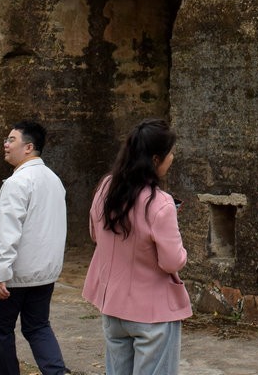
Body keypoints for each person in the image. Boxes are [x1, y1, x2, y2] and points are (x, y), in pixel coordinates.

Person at [82, 118, 190, 375]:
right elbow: (172, 262)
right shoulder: (160, 203)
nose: (172, 158)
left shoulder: (106, 187)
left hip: (113, 305)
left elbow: (95, 234)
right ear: (155, 159)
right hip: (152, 312)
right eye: (170, 153)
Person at [0, 120, 69, 375]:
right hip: (44, 273)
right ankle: (56, 372)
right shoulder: (53, 180)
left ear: (29, 147)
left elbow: (7, 232)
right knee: (38, 326)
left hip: (14, 277)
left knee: (1, 333)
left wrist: (0, 273)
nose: (6, 144)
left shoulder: (17, 183)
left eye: (12, 140)